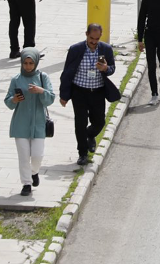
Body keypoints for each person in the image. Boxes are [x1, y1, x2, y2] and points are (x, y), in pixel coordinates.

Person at [60, 24, 120, 166]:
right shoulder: (76, 49)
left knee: (99, 122)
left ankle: (90, 134)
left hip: (97, 91)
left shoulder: (106, 49)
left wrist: (105, 68)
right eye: (91, 38)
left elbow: (112, 69)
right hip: (79, 91)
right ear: (86, 34)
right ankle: (82, 153)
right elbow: (67, 72)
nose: (93, 42)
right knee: (80, 123)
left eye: (97, 39)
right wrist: (64, 95)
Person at [6, 47, 54, 195]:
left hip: (38, 123)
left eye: (31, 63)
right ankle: (26, 183)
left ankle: (34, 172)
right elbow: (8, 102)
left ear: (36, 63)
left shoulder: (43, 77)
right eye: (25, 63)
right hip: (20, 124)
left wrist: (40, 91)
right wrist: (14, 99)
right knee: (23, 156)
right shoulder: (16, 79)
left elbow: (51, 98)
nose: (28, 66)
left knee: (37, 155)